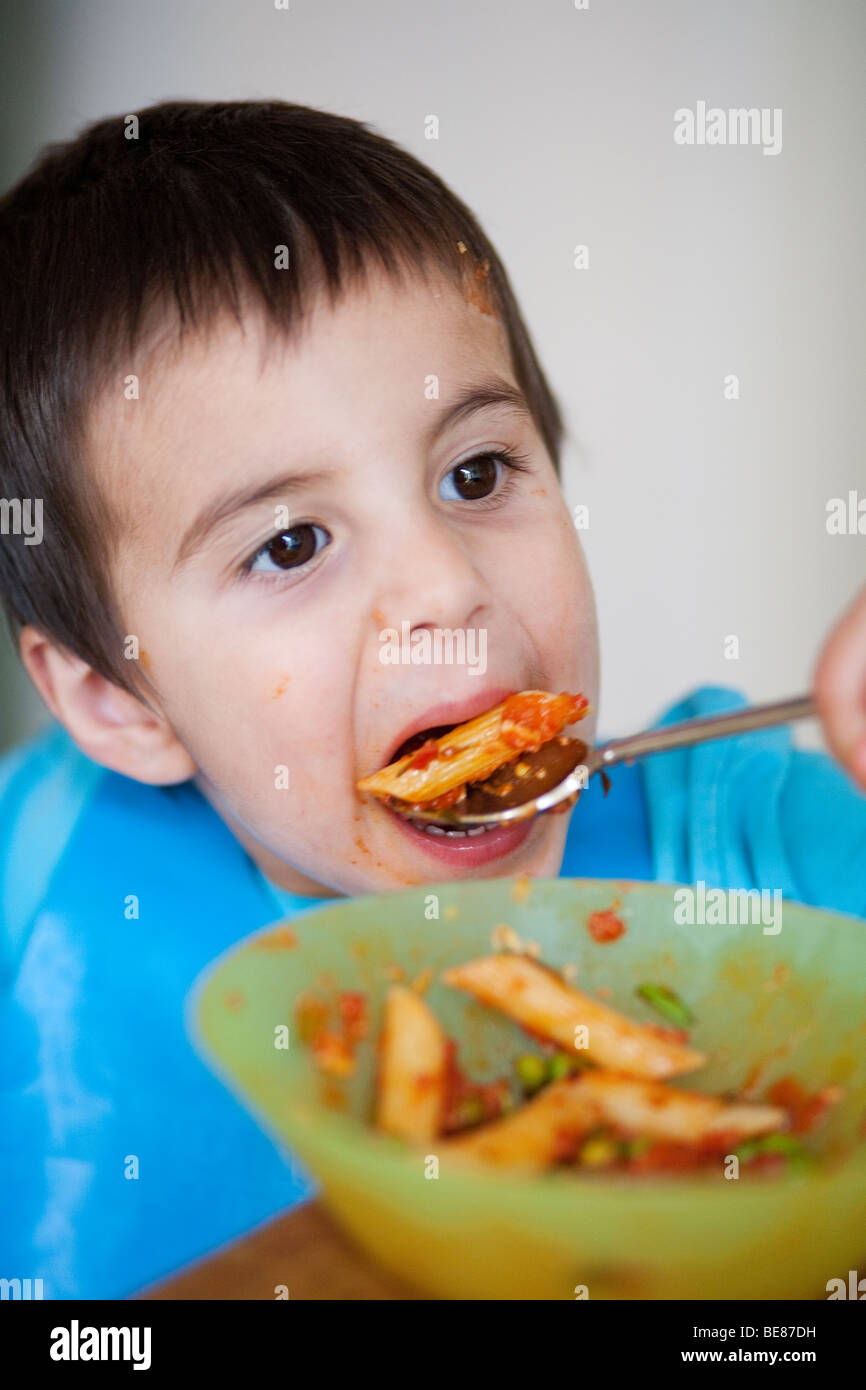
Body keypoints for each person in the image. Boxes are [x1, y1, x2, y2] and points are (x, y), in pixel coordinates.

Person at [0, 101, 863, 1299]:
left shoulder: (766, 846)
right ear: (119, 703)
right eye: (292, 543)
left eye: (474, 472)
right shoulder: (30, 885)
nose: (444, 585)